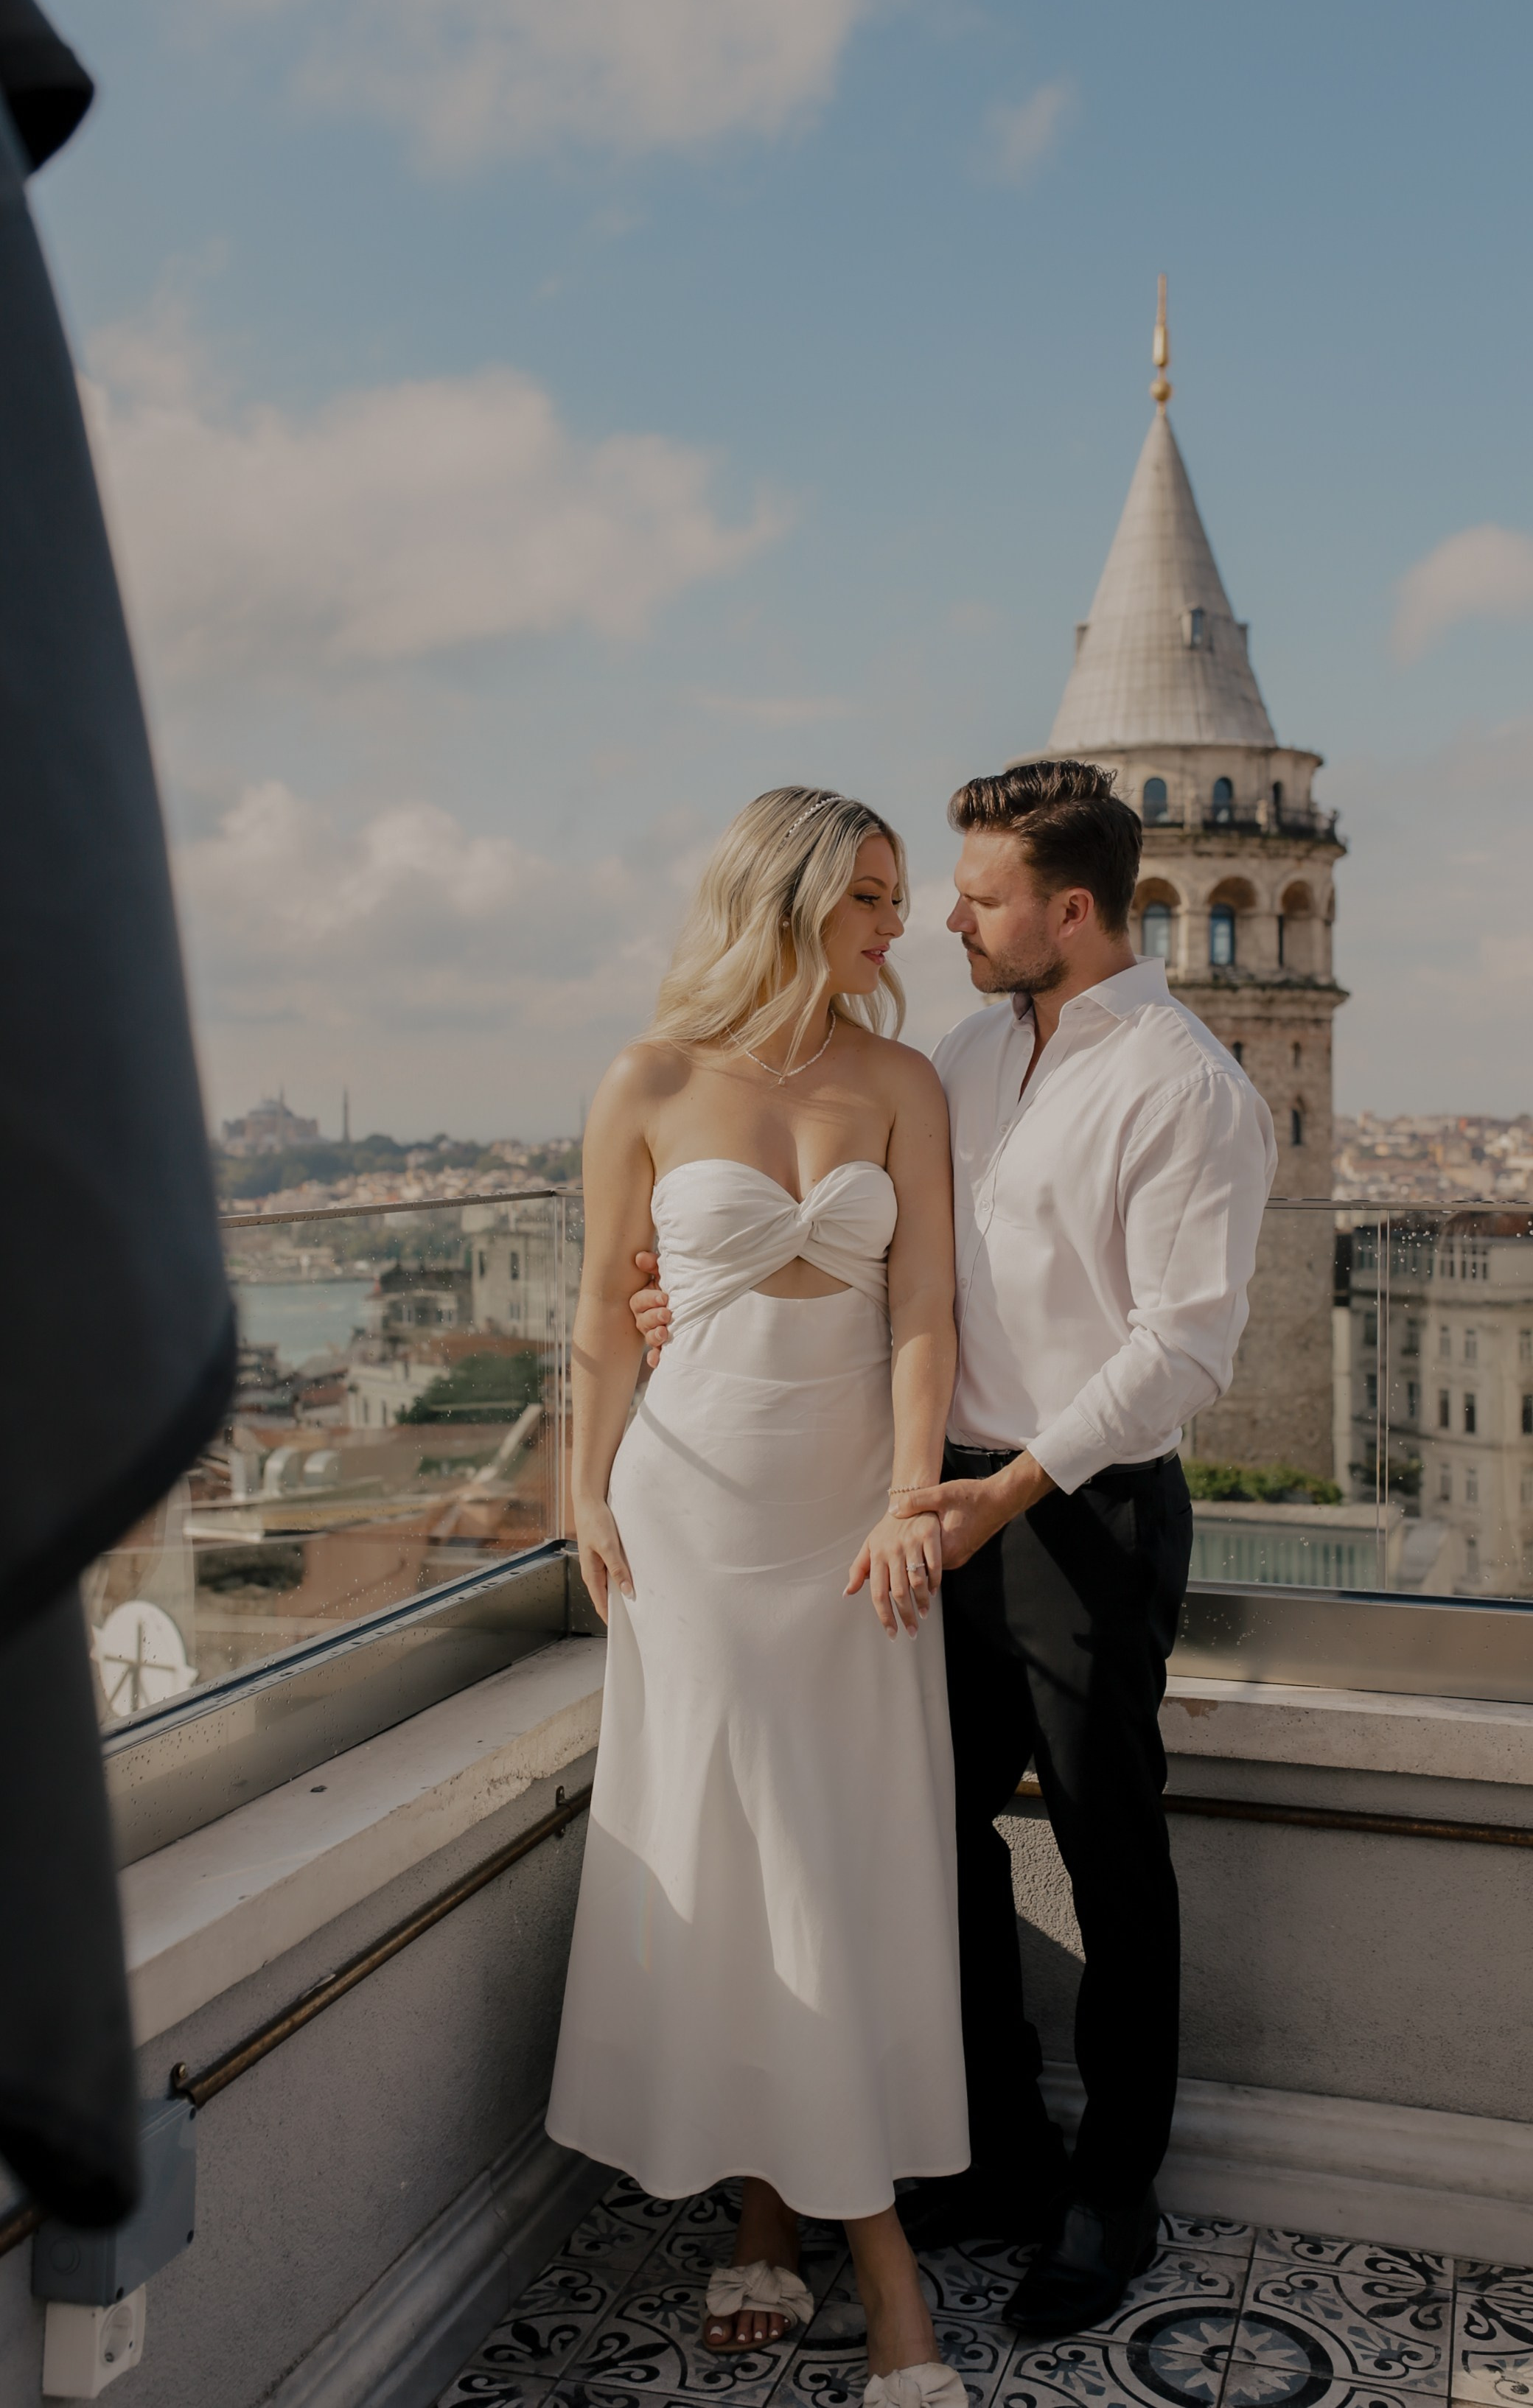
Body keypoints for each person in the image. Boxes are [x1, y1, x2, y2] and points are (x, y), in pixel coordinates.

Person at [633, 759, 1276, 2339]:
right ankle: (991, 2153)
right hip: (924, 1497)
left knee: (1111, 1859)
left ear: (1070, 908)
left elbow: (1183, 1348)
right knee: (929, 1836)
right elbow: (885, 1278)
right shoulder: (961, 1053)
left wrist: (1014, 1487)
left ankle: (1106, 2200)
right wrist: (689, 1310)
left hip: (1084, 1512)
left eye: (979, 896)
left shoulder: (1190, 1085)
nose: (946, 917)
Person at [546, 786, 971, 2408]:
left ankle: (808, 2231)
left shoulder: (900, 1080)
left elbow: (922, 1307)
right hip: (689, 1514)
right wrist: (585, 1490)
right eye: (868, 896)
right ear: (785, 904)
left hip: (852, 1519)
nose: (896, 922)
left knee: (836, 1855)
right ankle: (834, 2252)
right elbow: (599, 1314)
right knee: (745, 1854)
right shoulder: (644, 1079)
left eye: (899, 892)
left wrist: (907, 1495)